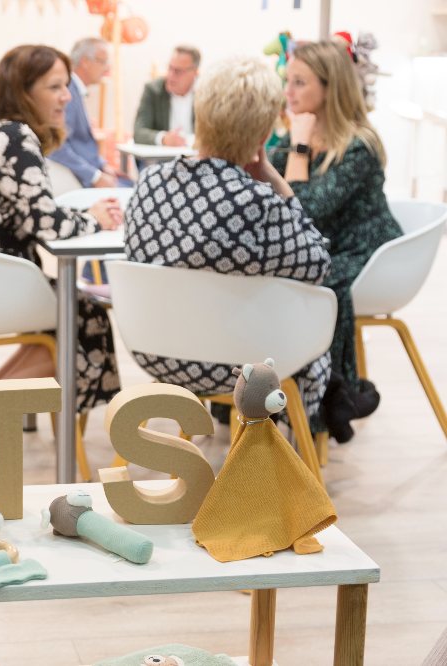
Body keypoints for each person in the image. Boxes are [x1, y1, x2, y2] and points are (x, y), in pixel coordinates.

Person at [123, 56, 333, 434]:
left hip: (159, 354)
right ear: (264, 133)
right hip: (245, 371)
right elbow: (319, 262)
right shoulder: (259, 204)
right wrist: (276, 181)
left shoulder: (148, 185)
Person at [0, 44, 123, 470]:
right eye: (55, 87)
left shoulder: (5, 133)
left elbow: (33, 214)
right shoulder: (16, 137)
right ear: (24, 92)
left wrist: (83, 216)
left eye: (66, 86)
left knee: (76, 316)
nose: (67, 97)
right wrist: (95, 221)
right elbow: (44, 225)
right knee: (83, 321)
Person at [269, 39, 403, 442]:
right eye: (287, 81)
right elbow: (265, 182)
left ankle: (332, 394)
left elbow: (302, 210)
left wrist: (299, 145)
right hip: (324, 248)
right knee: (274, 278)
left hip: (367, 251)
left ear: (330, 89)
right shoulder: (292, 137)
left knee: (316, 285)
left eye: (300, 83)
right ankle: (267, 394)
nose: (288, 92)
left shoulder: (360, 145)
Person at [49, 37, 126, 188]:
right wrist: (95, 176)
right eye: (102, 62)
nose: (107, 69)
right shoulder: (68, 93)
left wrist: (103, 166)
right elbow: (58, 146)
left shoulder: (76, 90)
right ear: (85, 62)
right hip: (83, 181)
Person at [133, 45, 200, 146]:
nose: (170, 75)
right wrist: (163, 138)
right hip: (162, 158)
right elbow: (139, 133)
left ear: (195, 72)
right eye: (170, 68)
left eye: (178, 71)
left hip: (196, 156)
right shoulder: (153, 90)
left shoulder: (206, 94)